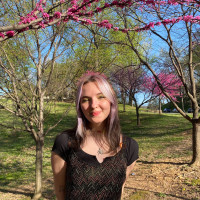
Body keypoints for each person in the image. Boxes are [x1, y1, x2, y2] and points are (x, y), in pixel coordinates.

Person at [51, 71, 139, 200]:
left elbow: (120, 189)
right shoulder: (65, 142)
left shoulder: (130, 147)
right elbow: (60, 189)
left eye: (101, 97)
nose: (93, 105)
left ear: (111, 101)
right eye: (85, 100)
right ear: (80, 106)